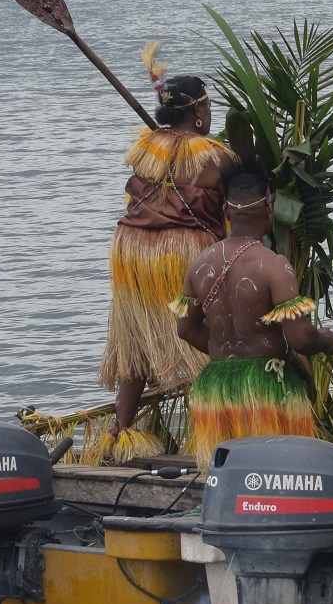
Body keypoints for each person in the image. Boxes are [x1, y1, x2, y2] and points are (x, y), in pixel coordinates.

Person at [100, 68, 238, 459]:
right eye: (208, 106)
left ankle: (120, 435)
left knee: (135, 340)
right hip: (180, 252)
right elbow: (238, 211)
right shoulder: (216, 157)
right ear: (198, 111)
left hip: (131, 248)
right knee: (206, 340)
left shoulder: (147, 147)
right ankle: (214, 440)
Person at [173, 173, 333, 466]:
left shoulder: (199, 264)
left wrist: (227, 352)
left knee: (229, 469)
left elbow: (185, 329)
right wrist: (326, 341)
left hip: (215, 390)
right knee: (278, 469)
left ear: (226, 212)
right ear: (269, 208)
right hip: (267, 388)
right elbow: (301, 338)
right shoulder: (274, 266)